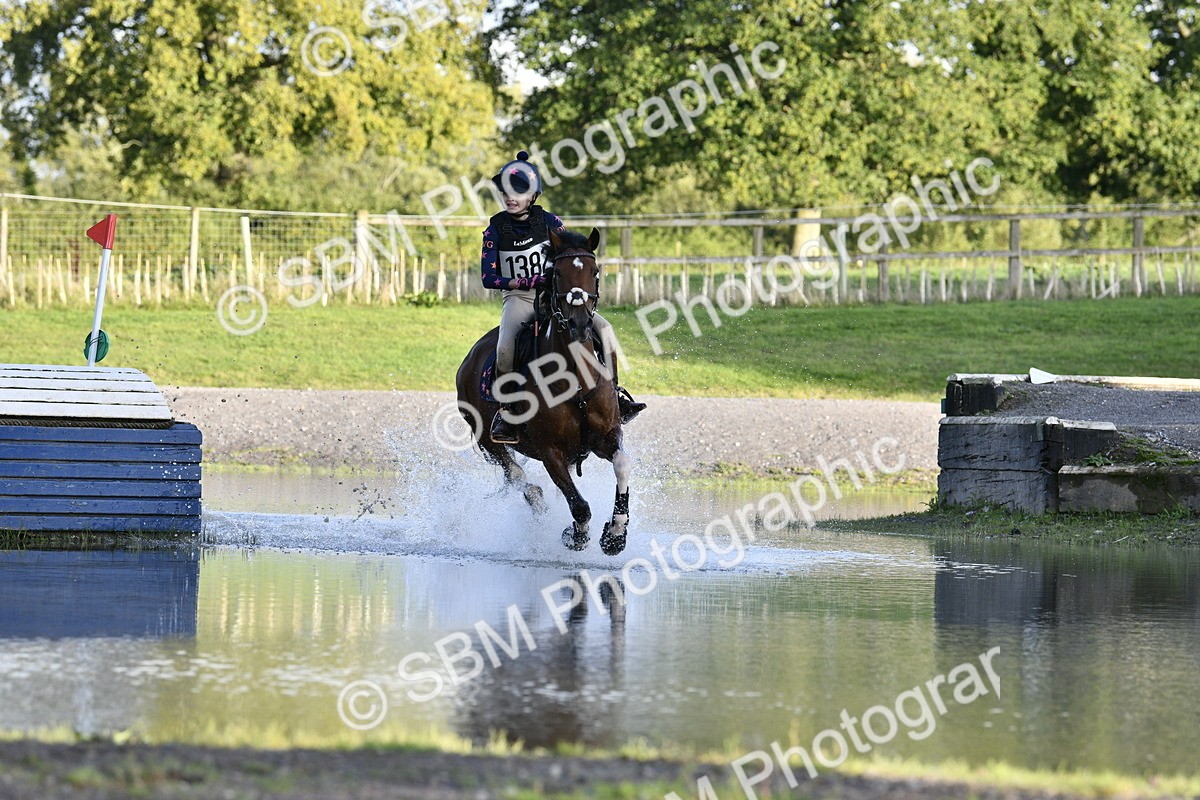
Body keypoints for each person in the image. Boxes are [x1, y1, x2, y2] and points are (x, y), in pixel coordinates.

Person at [481, 151, 646, 444]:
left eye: (517, 192)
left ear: (532, 195)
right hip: (518, 298)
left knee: (605, 330)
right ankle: (506, 412)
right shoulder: (495, 228)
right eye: (505, 191)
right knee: (505, 347)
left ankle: (615, 397)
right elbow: (488, 277)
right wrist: (525, 280)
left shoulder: (550, 222)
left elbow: (571, 253)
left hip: (555, 298)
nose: (509, 197)